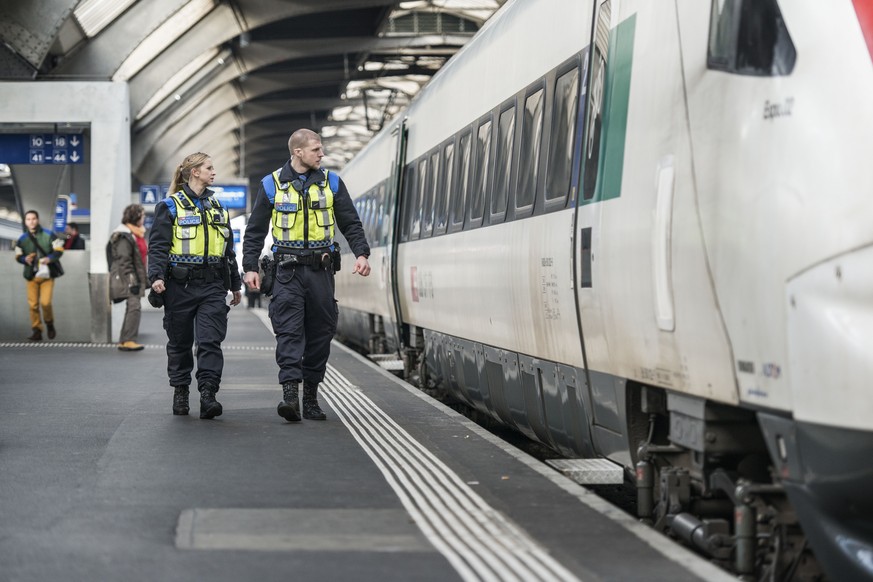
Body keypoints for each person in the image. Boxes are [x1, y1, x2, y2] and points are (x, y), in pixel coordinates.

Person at [242, 128, 371, 422]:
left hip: (320, 271)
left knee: (321, 332)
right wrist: (250, 267)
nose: (321, 154)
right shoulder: (271, 184)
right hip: (286, 273)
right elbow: (256, 230)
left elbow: (351, 222)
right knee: (289, 331)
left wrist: (362, 253)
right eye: (316, 149)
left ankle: (310, 397)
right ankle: (290, 396)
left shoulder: (332, 183)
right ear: (298, 152)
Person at [148, 152, 242, 419]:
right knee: (180, 342)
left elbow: (228, 251)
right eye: (209, 168)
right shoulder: (170, 207)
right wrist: (156, 277)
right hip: (179, 286)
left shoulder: (218, 207)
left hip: (212, 284)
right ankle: (180, 390)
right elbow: (158, 247)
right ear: (194, 173)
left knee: (210, 341)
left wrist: (234, 284)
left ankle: (208, 394)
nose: (214, 172)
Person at [14, 210, 64, 341]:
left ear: (38, 219)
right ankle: (37, 330)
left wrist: (49, 258)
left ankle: (49, 323)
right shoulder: (22, 239)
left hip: (47, 275)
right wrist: (25, 259)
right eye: (28, 219)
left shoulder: (49, 235)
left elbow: (59, 250)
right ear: (25, 222)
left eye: (33, 218)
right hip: (31, 276)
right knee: (33, 305)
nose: (31, 221)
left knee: (45, 302)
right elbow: (18, 256)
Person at [109, 204, 148, 352]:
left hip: (134, 276)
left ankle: (124, 340)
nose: (144, 218)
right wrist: (132, 280)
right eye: (142, 216)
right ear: (135, 216)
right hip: (129, 278)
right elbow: (124, 261)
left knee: (132, 307)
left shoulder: (135, 233)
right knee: (134, 307)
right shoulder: (124, 235)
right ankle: (129, 340)